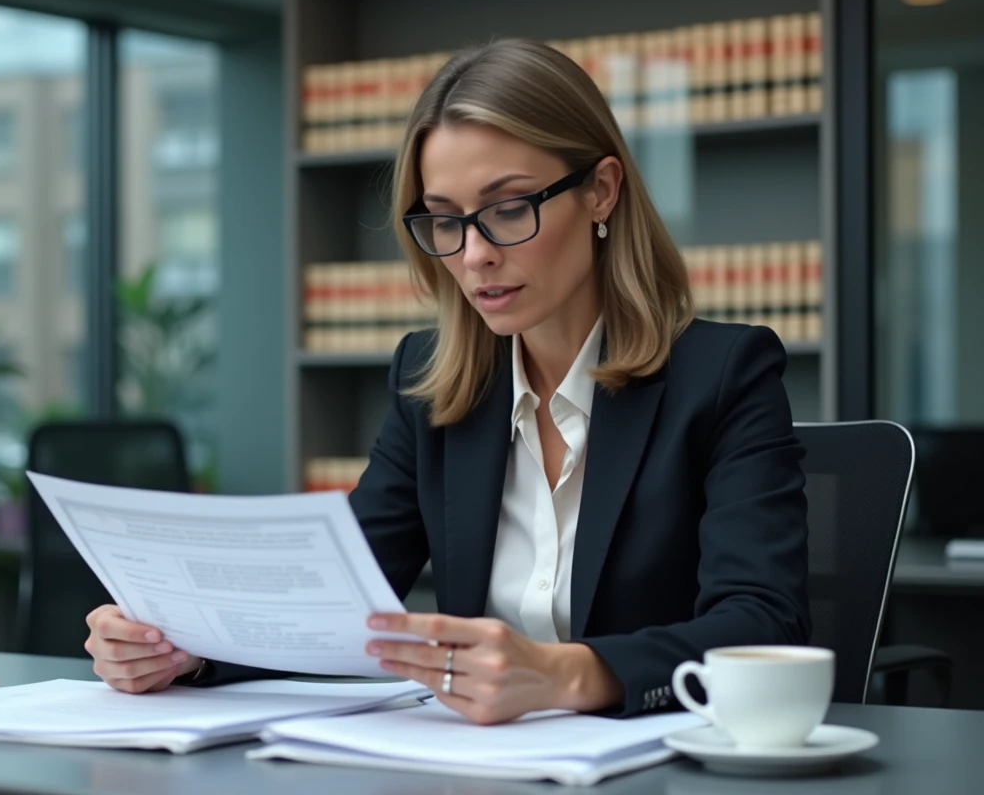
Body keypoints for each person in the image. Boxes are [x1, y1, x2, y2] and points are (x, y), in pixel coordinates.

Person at [83, 37, 811, 725]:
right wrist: (181, 648)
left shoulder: (723, 375)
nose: (473, 256)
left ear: (600, 190)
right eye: (445, 221)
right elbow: (332, 601)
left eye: (508, 209)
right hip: (475, 765)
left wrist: (563, 674)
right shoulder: (429, 385)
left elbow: (762, 622)